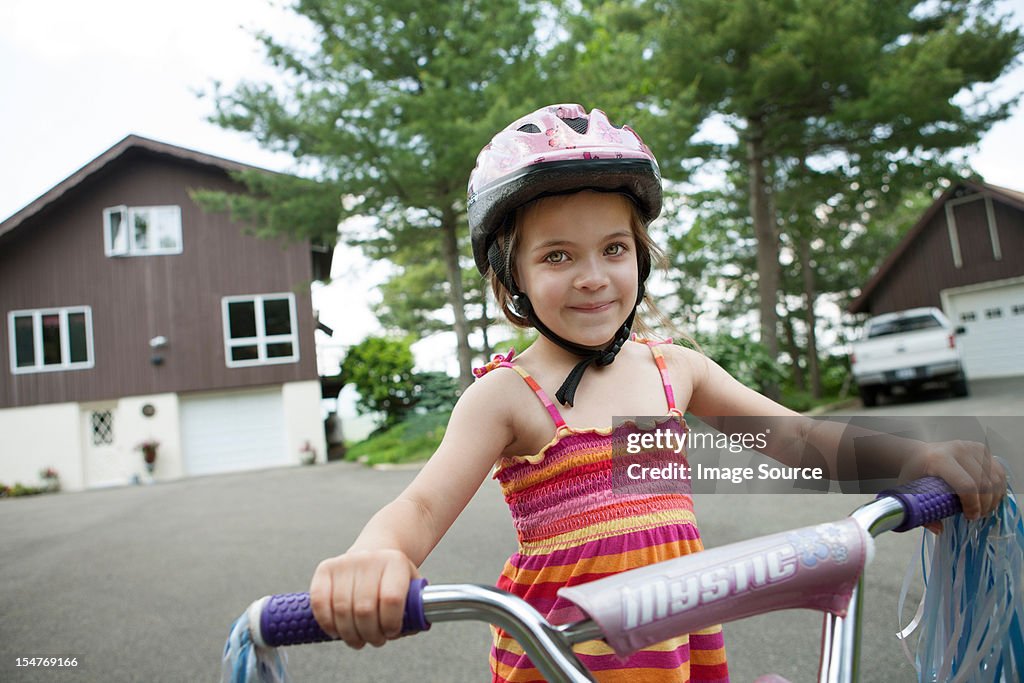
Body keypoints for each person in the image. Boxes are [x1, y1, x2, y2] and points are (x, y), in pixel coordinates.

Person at [310, 104, 1007, 682]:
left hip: (678, 653)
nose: (592, 276)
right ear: (509, 276)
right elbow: (420, 503)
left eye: (614, 248)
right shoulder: (508, 396)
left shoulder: (677, 369)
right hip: (560, 662)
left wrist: (910, 459)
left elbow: (797, 437)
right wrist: (378, 555)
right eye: (557, 255)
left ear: (640, 256)